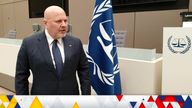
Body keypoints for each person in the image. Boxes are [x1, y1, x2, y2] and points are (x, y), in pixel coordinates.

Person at [15, 5, 91, 95]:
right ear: (45, 23)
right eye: (58, 21)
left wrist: (86, 98)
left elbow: (84, 72)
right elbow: (21, 76)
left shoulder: (76, 43)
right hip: (41, 101)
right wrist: (23, 101)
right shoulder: (29, 43)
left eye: (65, 20)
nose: (64, 25)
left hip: (70, 101)